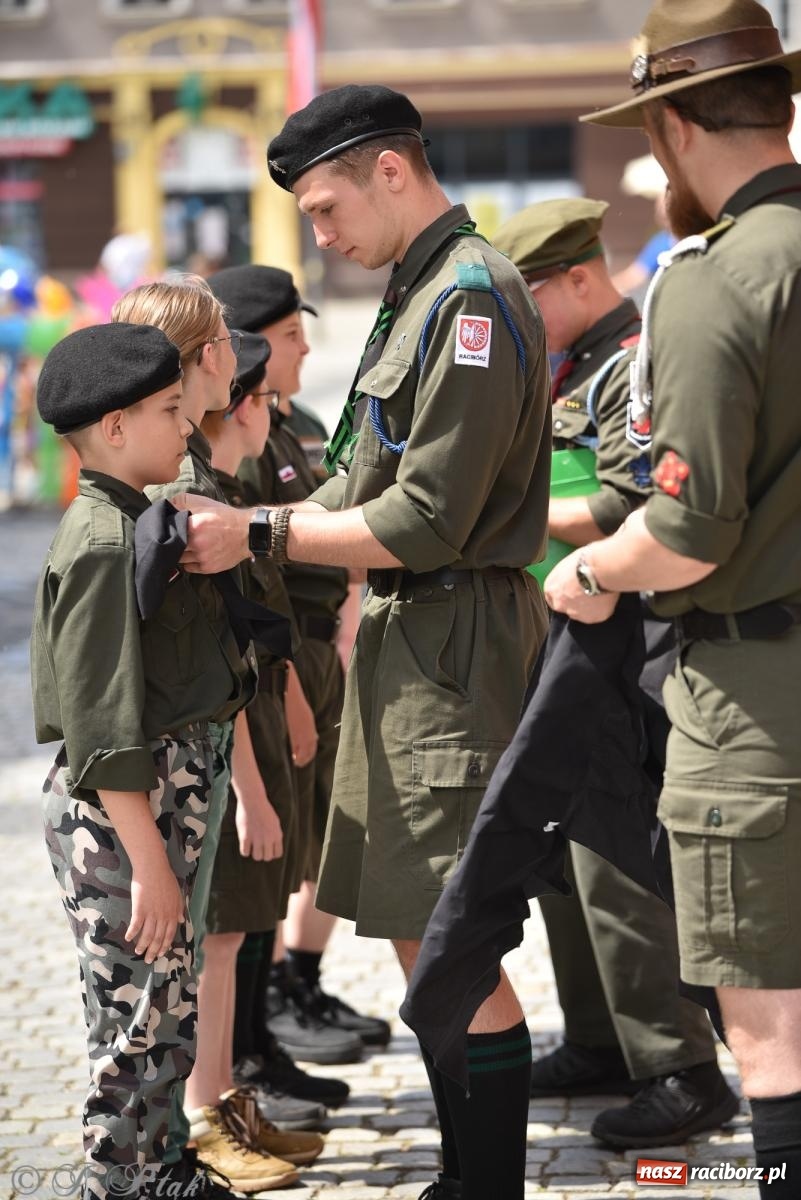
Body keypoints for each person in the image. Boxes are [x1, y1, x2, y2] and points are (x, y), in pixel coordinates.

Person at [173, 84, 552, 1200]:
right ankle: (466, 1170)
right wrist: (237, 511)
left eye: (328, 207)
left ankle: (484, 1185)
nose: (321, 236)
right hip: (408, 635)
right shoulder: (420, 287)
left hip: (451, 637)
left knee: (450, 934)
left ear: (393, 172)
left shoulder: (469, 297)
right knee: (411, 926)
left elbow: (427, 516)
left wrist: (259, 531)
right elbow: (357, 473)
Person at [546, 2, 801, 1196]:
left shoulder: (713, 281)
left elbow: (691, 534)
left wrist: (591, 568)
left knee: (766, 1021)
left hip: (757, 691)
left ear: (678, 121)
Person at [492, 197, 736, 1148]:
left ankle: (677, 1067)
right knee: (561, 842)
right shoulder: (572, 365)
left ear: (579, 281)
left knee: (616, 859)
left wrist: (515, 516)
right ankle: (600, 1040)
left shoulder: (625, 366)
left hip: (625, 639)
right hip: (567, 635)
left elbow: (636, 505)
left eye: (531, 297)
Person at [30, 322, 237, 1200]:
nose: (184, 426)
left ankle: (160, 1165)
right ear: (114, 428)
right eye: (165, 411)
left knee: (163, 1002)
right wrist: (147, 860)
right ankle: (123, 1180)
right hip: (124, 818)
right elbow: (101, 721)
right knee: (137, 1014)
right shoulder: (105, 541)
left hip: (148, 806)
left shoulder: (131, 517)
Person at [111, 277, 302, 1194]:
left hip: (206, 755)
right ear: (199, 360)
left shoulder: (190, 467)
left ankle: (202, 1116)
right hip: (175, 765)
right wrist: (250, 791)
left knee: (199, 958)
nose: (237, 353)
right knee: (172, 974)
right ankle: (172, 1140)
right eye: (223, 339)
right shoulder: (175, 490)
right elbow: (179, 669)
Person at [207, 263, 386, 1074]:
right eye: (287, 336)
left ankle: (275, 1014)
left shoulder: (298, 423)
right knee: (259, 866)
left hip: (315, 646)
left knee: (298, 849)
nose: (306, 347)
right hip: (277, 661)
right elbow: (248, 593)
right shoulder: (230, 441)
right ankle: (249, 1044)